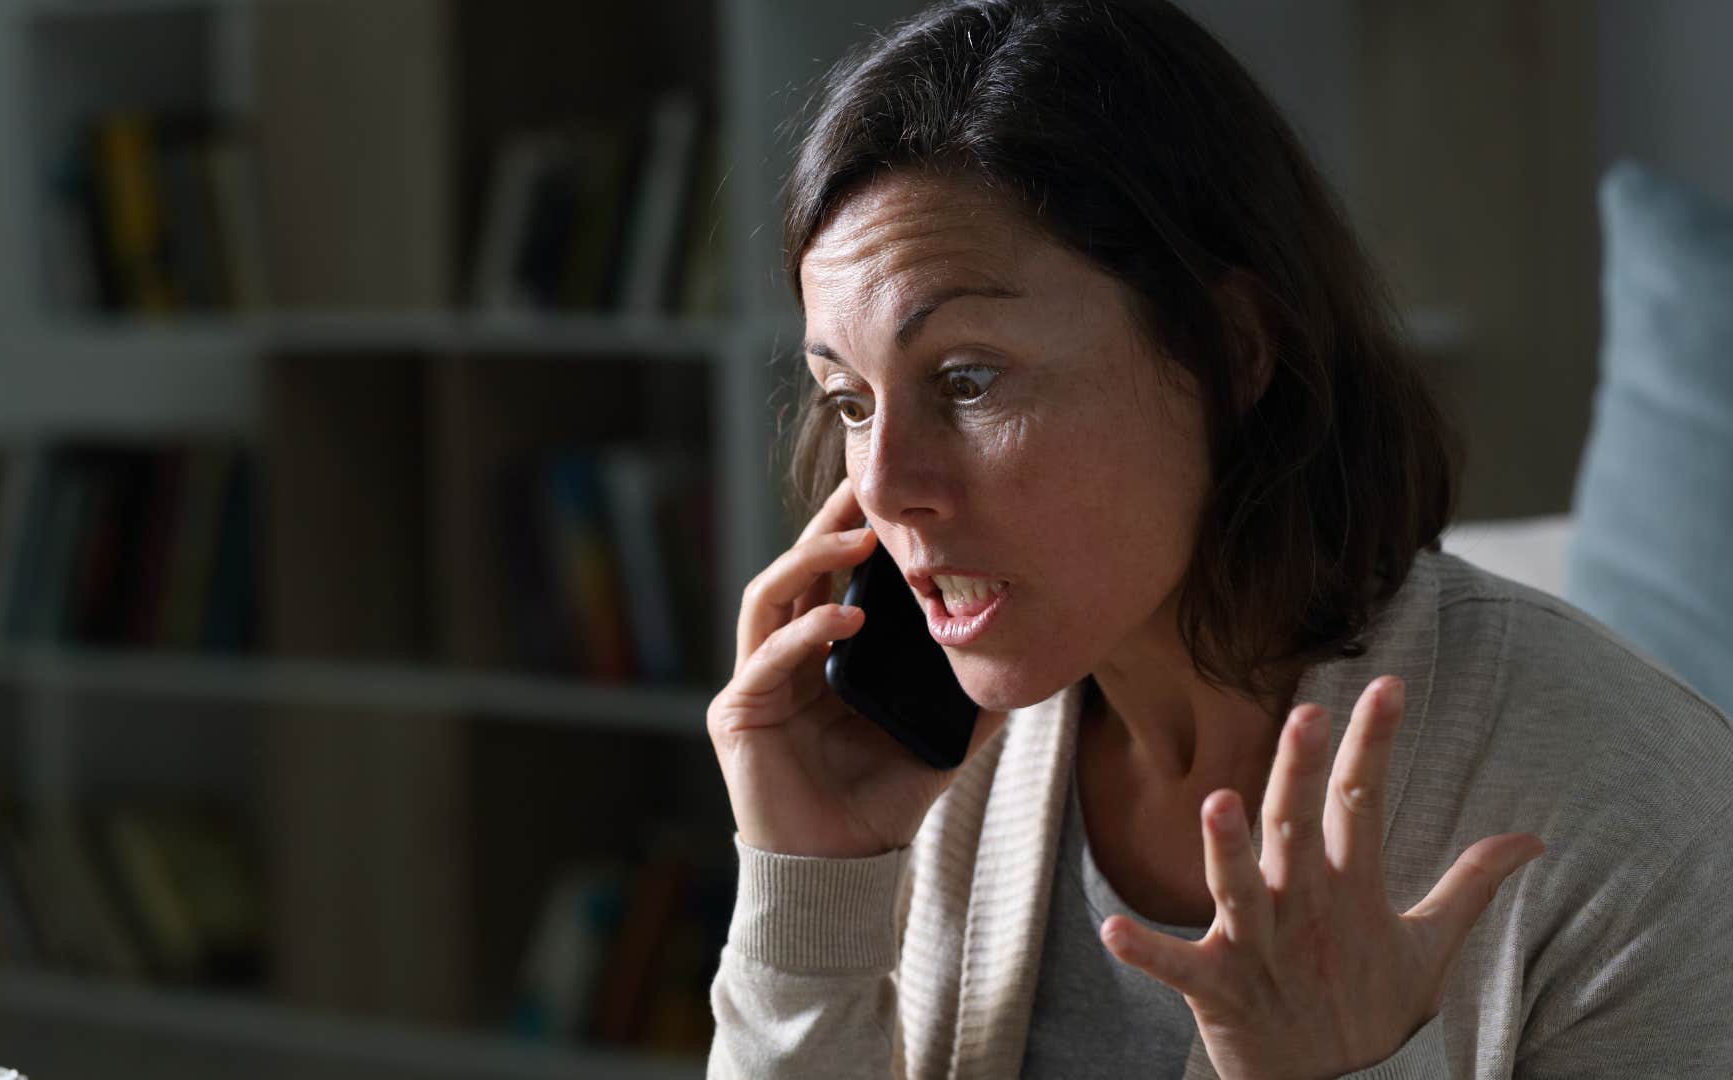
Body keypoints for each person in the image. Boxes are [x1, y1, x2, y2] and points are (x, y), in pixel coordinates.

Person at [701, 1, 1733, 1077]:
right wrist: (810, 898)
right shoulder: (922, 775)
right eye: (849, 400)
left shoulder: (1641, 820)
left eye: (967, 379)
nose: (883, 487)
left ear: (1234, 351)